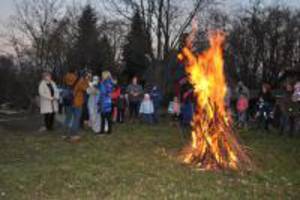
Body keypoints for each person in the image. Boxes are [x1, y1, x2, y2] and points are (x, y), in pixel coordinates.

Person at [70, 72, 90, 141]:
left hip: (73, 102)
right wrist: (87, 80)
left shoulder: (76, 81)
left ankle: (74, 133)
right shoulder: (80, 82)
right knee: (76, 119)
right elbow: (87, 89)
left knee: (75, 118)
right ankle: (74, 135)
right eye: (87, 76)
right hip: (77, 103)